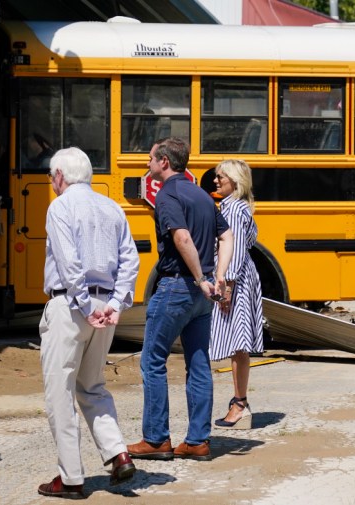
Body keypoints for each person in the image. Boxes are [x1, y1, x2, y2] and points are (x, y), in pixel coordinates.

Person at [37, 147, 141, 499]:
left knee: (60, 393)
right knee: (93, 385)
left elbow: (68, 262)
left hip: (70, 306)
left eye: (52, 177)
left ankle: (71, 478)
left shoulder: (60, 206)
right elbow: (130, 259)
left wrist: (83, 304)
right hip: (104, 305)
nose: (52, 183)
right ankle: (118, 453)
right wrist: (113, 304)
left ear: (61, 177)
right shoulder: (111, 206)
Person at [127, 137, 234, 462]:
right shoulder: (202, 196)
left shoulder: (168, 195)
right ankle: (198, 441)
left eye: (150, 159)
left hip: (177, 287)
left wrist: (201, 278)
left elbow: (181, 236)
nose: (147, 164)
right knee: (199, 363)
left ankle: (157, 439)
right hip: (202, 298)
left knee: (152, 361)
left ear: (164, 162)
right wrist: (217, 276)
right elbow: (226, 236)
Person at [209, 159, 264, 430]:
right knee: (237, 343)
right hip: (240, 278)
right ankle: (240, 402)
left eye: (221, 177)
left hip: (236, 280)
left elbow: (238, 250)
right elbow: (252, 239)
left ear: (235, 181)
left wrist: (226, 287)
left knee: (237, 344)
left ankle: (239, 404)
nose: (215, 180)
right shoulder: (238, 208)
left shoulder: (232, 210)